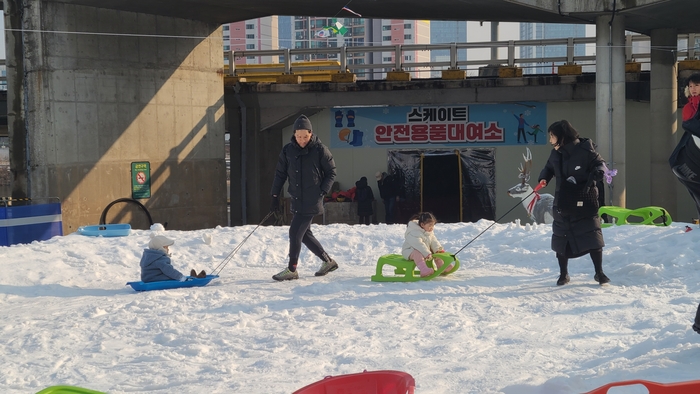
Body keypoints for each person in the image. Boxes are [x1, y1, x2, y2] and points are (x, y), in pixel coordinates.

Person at [537, 120, 610, 286]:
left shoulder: (585, 149)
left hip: (584, 199)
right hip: (563, 201)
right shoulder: (555, 153)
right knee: (561, 237)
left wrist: (599, 171)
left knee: (592, 235)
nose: (550, 139)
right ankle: (563, 274)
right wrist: (544, 178)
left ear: (562, 136)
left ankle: (599, 272)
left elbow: (600, 163)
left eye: (552, 136)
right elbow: (548, 168)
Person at [270, 114, 339, 281]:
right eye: (299, 136)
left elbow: (331, 172)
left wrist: (322, 191)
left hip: (312, 198)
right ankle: (327, 261)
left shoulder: (319, 149)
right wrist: (274, 195)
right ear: (294, 134)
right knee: (305, 234)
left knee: (295, 232)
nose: (302, 140)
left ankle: (292, 269)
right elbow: (280, 174)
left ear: (311, 133)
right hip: (297, 198)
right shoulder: (288, 150)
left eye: (305, 136)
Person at [669, 73, 700, 218]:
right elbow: (688, 124)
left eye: (696, 85)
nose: (693, 89)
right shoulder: (688, 107)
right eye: (691, 86)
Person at [401, 212, 454, 277]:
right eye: (430, 225)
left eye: (433, 225)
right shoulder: (414, 232)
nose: (432, 228)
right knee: (417, 253)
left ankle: (441, 266)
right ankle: (423, 270)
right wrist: (427, 253)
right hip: (409, 251)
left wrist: (438, 250)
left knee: (435, 250)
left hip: (423, 251)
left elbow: (434, 241)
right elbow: (418, 244)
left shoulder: (429, 232)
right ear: (422, 224)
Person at [139, 235, 205, 283]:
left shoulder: (148, 257)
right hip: (157, 279)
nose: (168, 249)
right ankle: (195, 280)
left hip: (148, 279)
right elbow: (169, 271)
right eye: (167, 247)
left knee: (171, 276)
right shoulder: (159, 259)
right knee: (173, 276)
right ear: (162, 247)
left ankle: (192, 278)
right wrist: (180, 277)